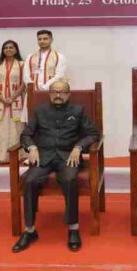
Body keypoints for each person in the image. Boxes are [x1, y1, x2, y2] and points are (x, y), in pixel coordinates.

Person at [13, 81, 99, 253]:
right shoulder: (40, 111)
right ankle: (30, 230)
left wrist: (79, 147)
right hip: (44, 157)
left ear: (68, 94)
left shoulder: (78, 111)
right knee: (30, 181)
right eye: (54, 92)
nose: (58, 95)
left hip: (68, 157)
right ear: (49, 94)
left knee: (69, 179)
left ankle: (73, 228)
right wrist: (32, 147)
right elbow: (26, 135)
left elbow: (93, 133)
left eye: (62, 92)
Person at [0, 40, 26, 163]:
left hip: (16, 101)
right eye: (6, 48)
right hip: (0, 101)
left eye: (11, 47)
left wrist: (12, 98)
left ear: (16, 50)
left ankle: (17, 155)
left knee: (16, 128)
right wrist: (1, 98)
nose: (8, 50)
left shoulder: (22, 64)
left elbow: (23, 83)